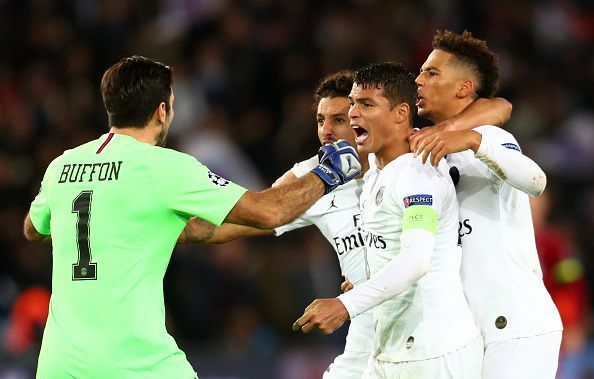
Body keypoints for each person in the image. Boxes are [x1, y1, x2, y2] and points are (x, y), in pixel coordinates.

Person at [22, 55, 361, 379]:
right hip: (134, 361)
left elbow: (33, 229)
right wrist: (327, 173)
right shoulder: (165, 166)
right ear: (162, 110)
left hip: (59, 363)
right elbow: (269, 211)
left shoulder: (63, 165)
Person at [182, 69, 511, 378]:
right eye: (321, 120)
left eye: (340, 119)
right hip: (367, 348)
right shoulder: (316, 177)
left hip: (433, 341)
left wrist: (445, 132)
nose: (327, 131)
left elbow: (498, 107)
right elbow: (243, 218)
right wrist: (160, 228)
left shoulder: (414, 158)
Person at [293, 62, 483, 378]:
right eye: (353, 104)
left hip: (435, 355)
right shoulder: (375, 176)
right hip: (390, 353)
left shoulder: (418, 173)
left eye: (366, 104)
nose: (353, 114)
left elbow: (416, 260)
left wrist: (346, 305)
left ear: (400, 114)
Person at [411, 30, 563, 379]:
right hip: (462, 337)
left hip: (516, 328)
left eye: (431, 72)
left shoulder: (492, 137)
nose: (418, 79)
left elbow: (535, 181)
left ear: (463, 89)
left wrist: (474, 139)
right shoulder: (419, 158)